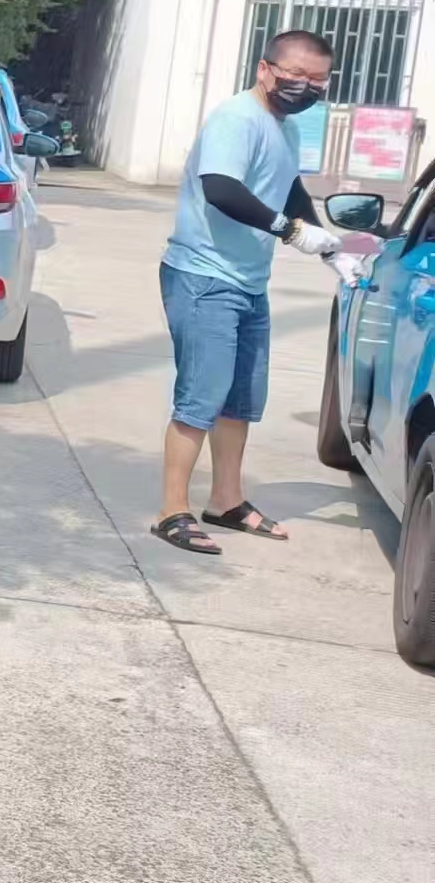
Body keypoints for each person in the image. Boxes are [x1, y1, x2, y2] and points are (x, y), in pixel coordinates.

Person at [152, 29, 355, 555]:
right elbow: (221, 188)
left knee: (239, 399)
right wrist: (290, 231)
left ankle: (226, 500)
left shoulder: (284, 128)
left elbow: (289, 190)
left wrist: (328, 245)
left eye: (318, 80)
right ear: (265, 69)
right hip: (203, 276)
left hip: (247, 281)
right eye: (296, 74)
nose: (306, 86)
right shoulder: (236, 118)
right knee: (201, 396)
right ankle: (172, 511)